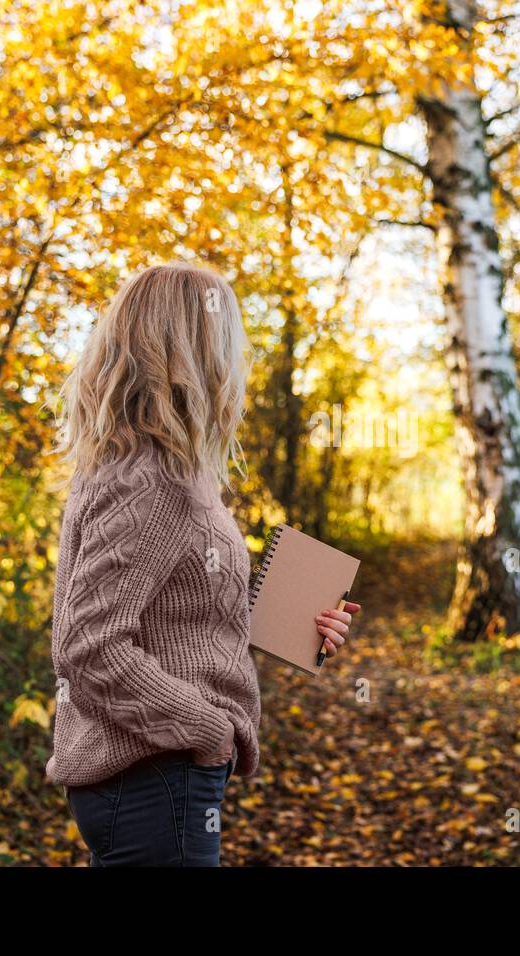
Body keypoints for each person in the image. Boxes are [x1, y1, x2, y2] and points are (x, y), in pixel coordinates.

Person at [44, 262, 360, 866]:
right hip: (154, 772)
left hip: (152, 772)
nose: (238, 359)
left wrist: (292, 619)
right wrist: (207, 729)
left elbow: (175, 609)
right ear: (193, 350)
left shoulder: (153, 467)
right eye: (229, 341)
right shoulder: (151, 478)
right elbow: (87, 645)